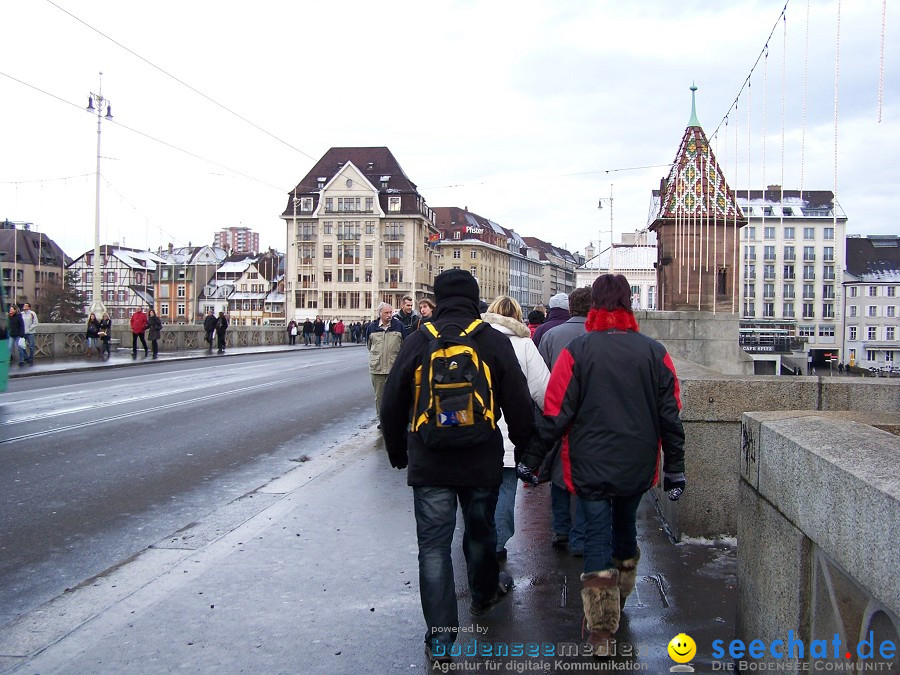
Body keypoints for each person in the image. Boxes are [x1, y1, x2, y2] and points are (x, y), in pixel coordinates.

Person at [522, 274, 685, 658]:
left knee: (595, 533)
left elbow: (556, 412)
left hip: (589, 461)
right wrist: (675, 468)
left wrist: (531, 461)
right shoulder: (654, 352)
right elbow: (670, 415)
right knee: (625, 526)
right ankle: (621, 595)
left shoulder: (577, 350)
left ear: (594, 305)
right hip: (637, 461)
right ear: (629, 304)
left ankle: (600, 631)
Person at [380, 270, 537, 664]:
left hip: (430, 460)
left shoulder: (419, 340)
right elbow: (518, 403)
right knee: (480, 535)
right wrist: (528, 451)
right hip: (480, 458)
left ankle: (441, 640)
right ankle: (483, 597)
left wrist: (399, 451)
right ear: (474, 298)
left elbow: (392, 402)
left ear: (438, 297)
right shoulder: (492, 341)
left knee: (433, 548)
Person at [482, 295, 550, 560]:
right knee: (504, 491)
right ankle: (497, 546)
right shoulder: (524, 345)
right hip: (510, 432)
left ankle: (476, 541)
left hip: (475, 429)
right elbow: (544, 391)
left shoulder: (475, 339)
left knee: (476, 491)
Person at [537, 286, 592, 556]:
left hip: (556, 412)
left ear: (571, 307)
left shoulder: (551, 334)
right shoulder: (596, 336)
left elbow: (543, 377)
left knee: (558, 473)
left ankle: (560, 528)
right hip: (588, 416)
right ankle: (580, 535)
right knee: (584, 476)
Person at [364, 303, 404, 421]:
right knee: (380, 397)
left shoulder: (398, 326)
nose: (389, 315)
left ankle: (395, 420)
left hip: (394, 368)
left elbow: (404, 345)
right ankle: (382, 420)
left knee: (395, 396)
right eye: (386, 313)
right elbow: (369, 345)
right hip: (377, 368)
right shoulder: (372, 327)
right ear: (380, 313)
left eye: (390, 312)